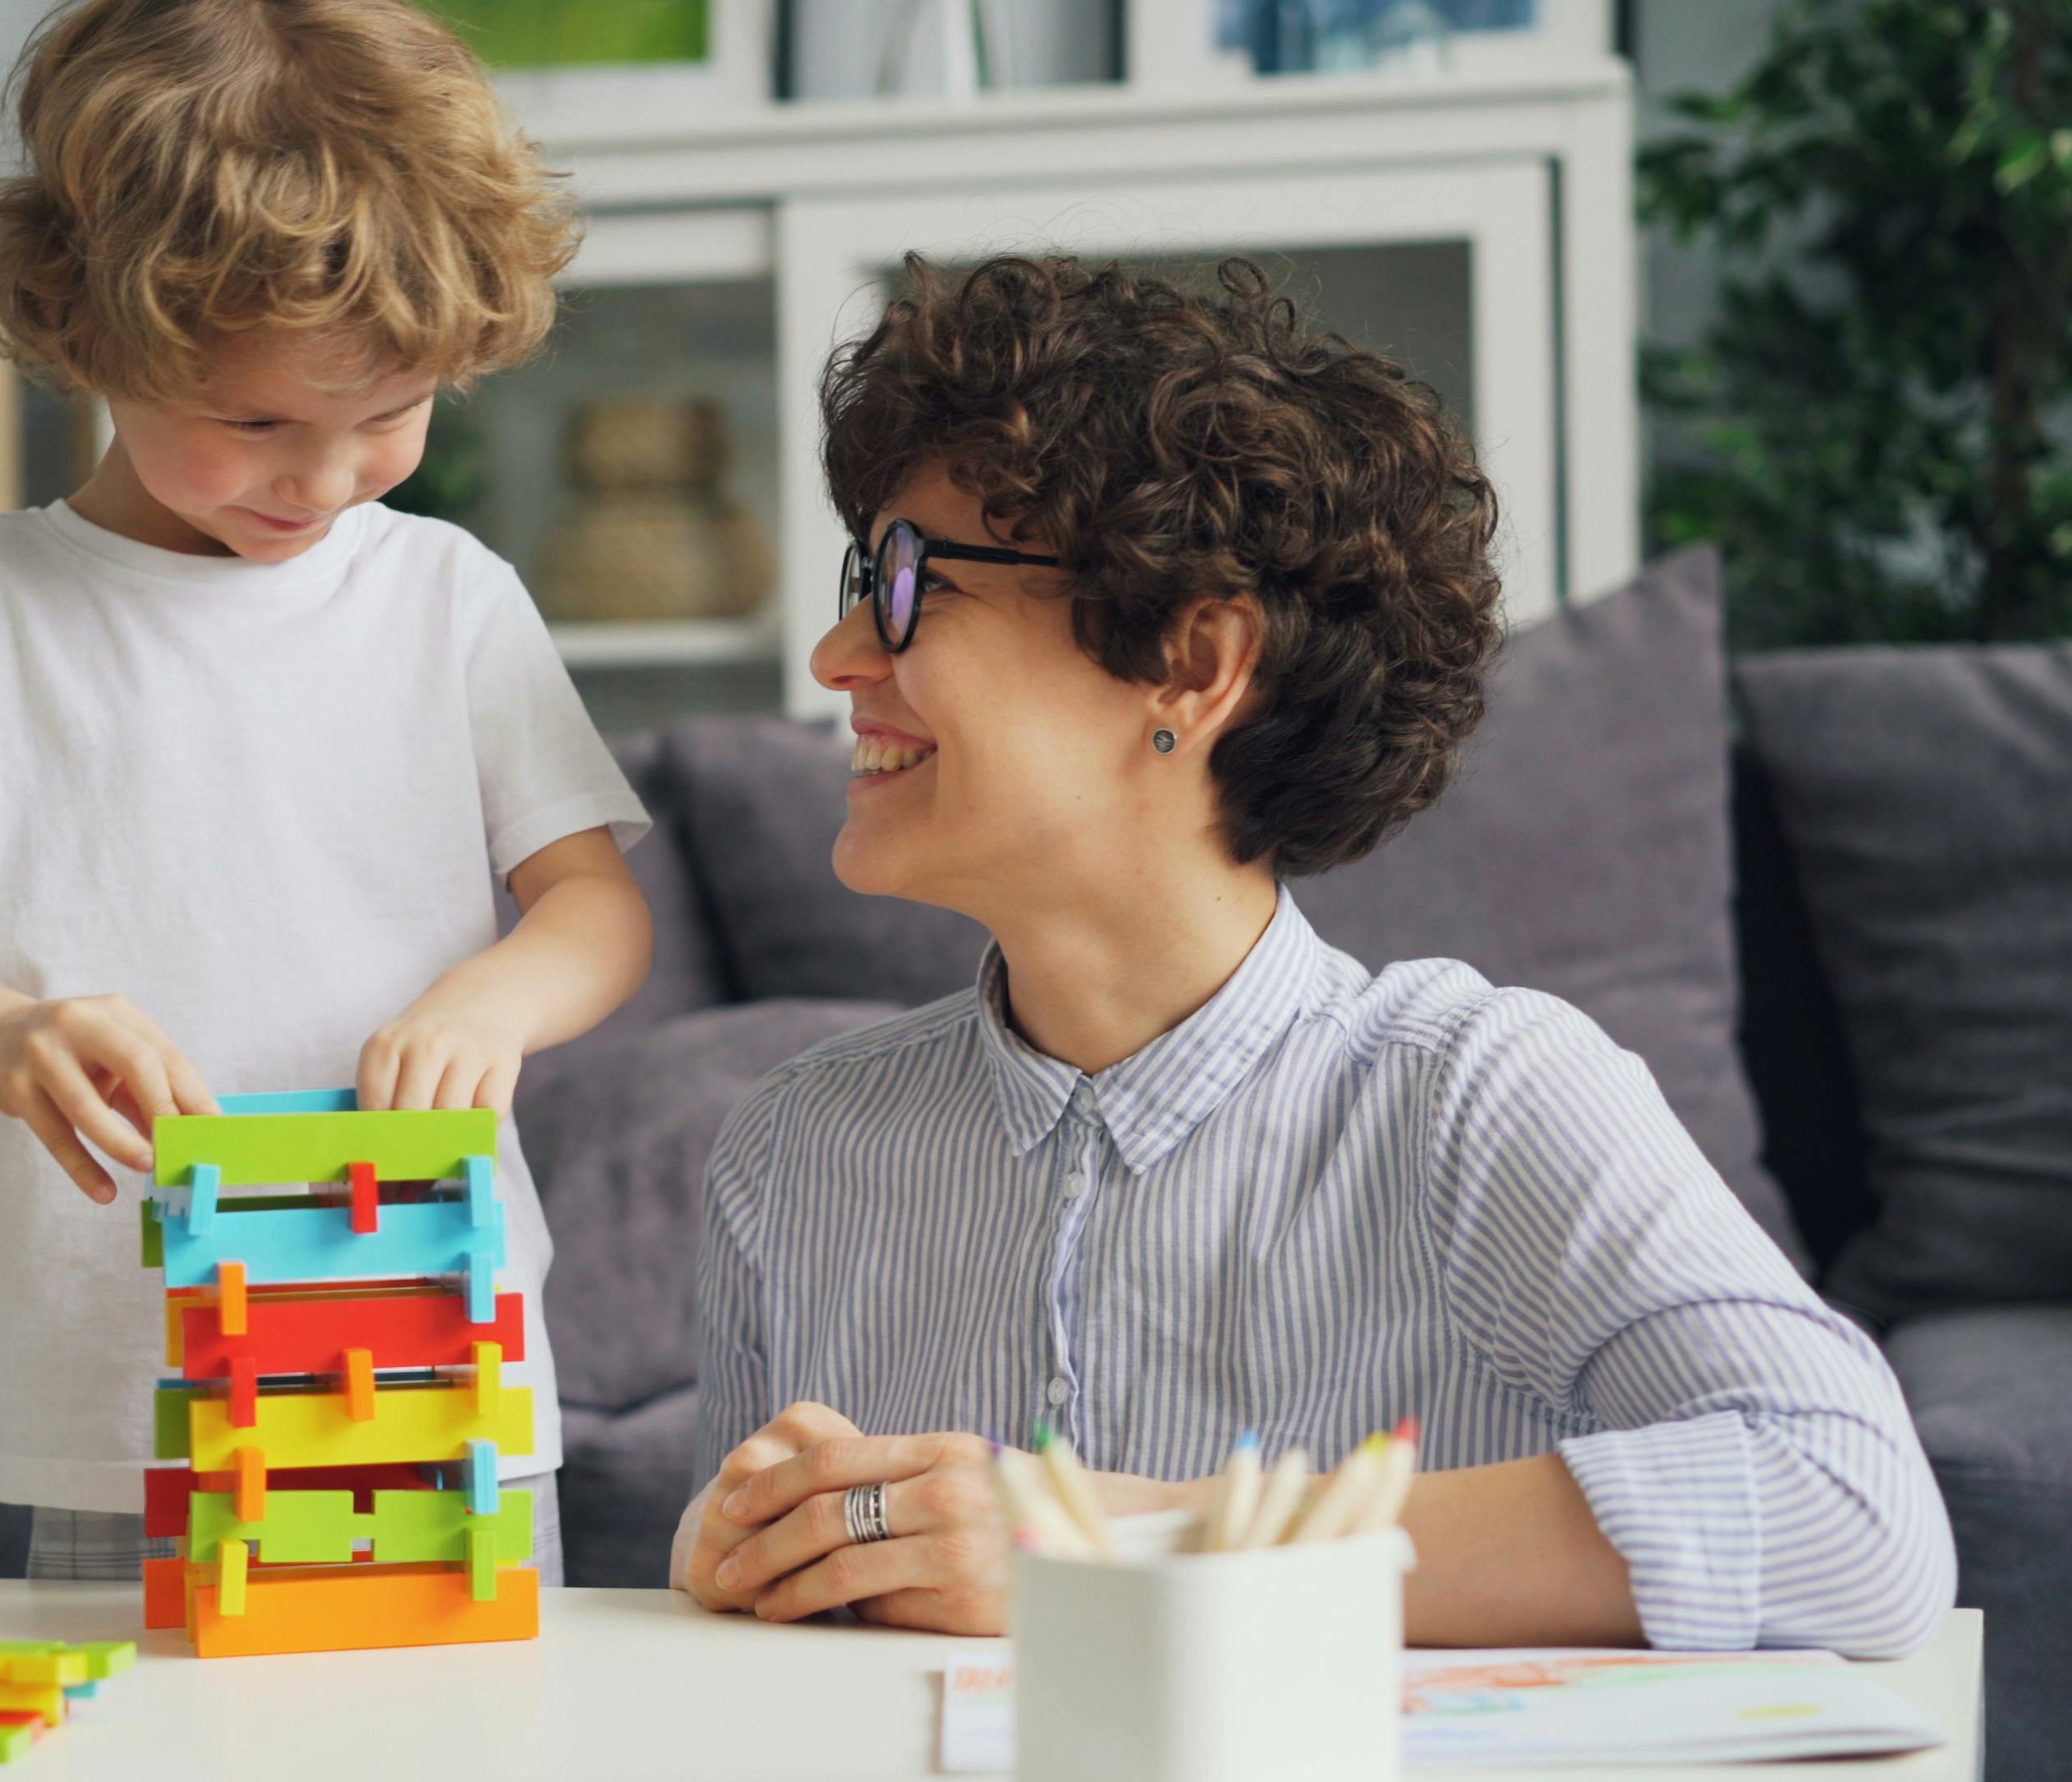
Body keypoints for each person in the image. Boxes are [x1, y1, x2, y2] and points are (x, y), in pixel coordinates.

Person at [671, 254, 1954, 1656]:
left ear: (1196, 661)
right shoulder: (793, 1156)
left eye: (913, 580)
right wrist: (734, 1559)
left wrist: (1125, 1553)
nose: (839, 650)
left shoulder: (1477, 1097)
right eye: (870, 572)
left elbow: (1855, 1517)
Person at [0, 0, 652, 1585]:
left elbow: (594, 907)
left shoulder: (450, 595)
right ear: (87, 334)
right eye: (255, 422)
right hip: (130, 1392)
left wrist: (496, 1003)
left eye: (388, 417)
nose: (321, 479)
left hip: (436, 1356)